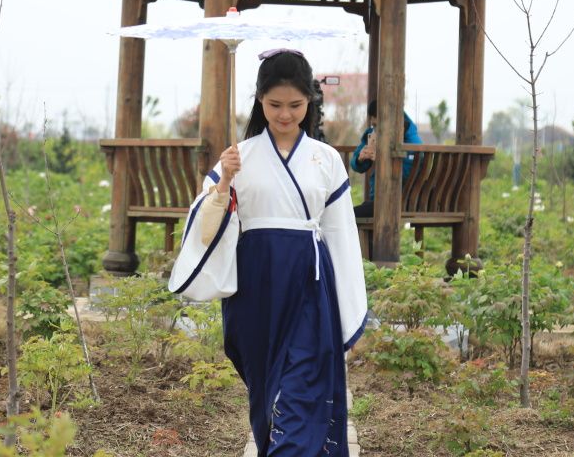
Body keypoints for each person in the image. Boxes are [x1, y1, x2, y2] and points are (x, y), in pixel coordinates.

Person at [172, 48, 366, 456]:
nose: (285, 114)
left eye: (295, 105)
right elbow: (207, 230)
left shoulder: (326, 159)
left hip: (310, 285)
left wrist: (349, 310)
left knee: (301, 389)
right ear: (259, 99)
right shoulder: (237, 158)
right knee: (267, 396)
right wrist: (224, 182)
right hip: (256, 287)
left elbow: (342, 236)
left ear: (309, 101)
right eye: (275, 104)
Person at [350, 99, 422, 217]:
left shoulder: (412, 142)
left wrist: (383, 161)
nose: (375, 130)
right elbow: (355, 164)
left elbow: (409, 174)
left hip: (399, 201)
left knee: (349, 216)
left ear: (390, 121)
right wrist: (359, 159)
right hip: (379, 199)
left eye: (377, 126)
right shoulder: (373, 134)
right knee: (351, 214)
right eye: (373, 125)